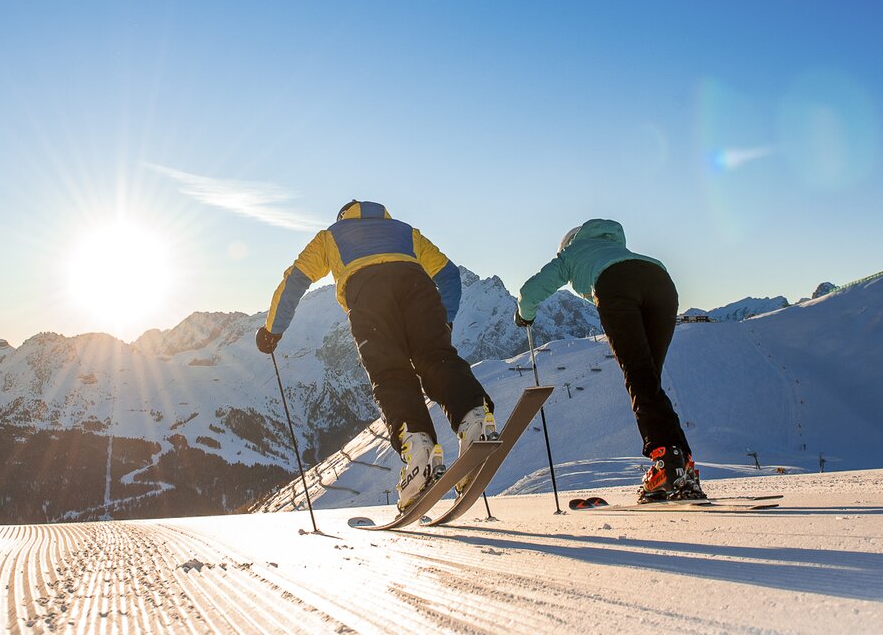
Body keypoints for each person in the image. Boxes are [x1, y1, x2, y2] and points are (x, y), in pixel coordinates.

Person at [256, 200, 496, 511]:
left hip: (367, 294)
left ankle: (418, 448)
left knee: (390, 372)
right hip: (417, 286)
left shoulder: (331, 236)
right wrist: (444, 319)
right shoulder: (404, 231)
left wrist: (273, 330)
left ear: (343, 216)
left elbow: (296, 279)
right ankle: (475, 419)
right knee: (436, 356)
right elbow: (449, 274)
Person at [514, 218, 705, 502]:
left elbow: (531, 291)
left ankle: (665, 463)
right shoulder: (615, 248)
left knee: (639, 376)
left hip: (615, 285)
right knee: (649, 380)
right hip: (662, 283)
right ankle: (682, 469)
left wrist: (524, 314)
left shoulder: (571, 254)